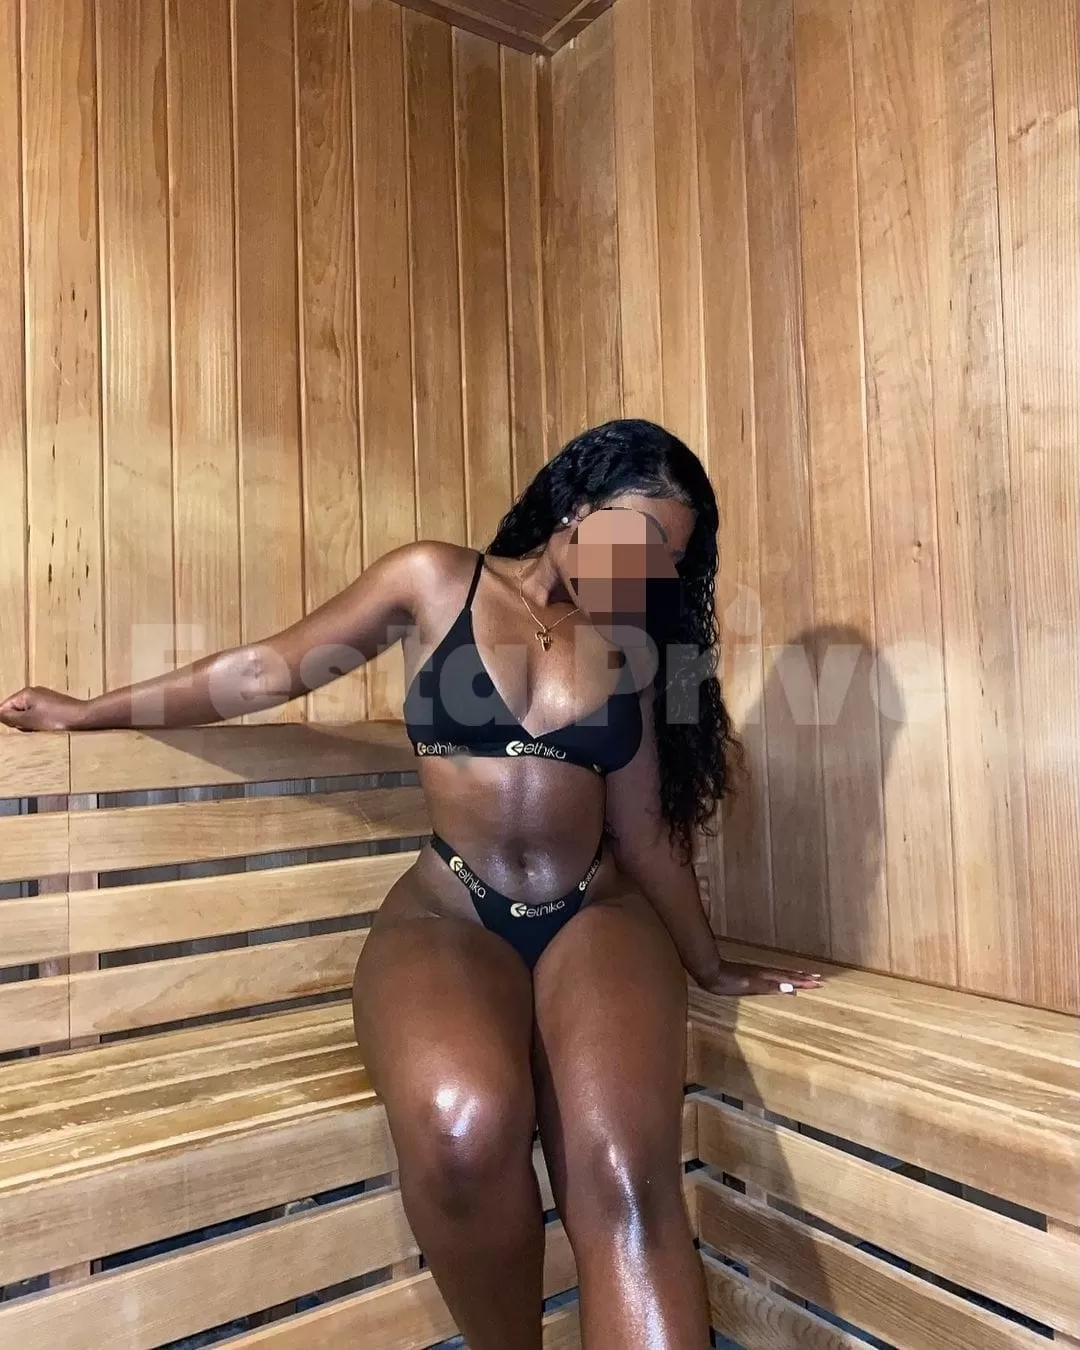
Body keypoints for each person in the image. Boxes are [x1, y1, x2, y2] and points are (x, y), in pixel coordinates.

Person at [1, 418, 821, 1348]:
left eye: (667, 562)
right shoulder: (435, 581)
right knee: (462, 1128)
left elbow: (643, 831)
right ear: (577, 507)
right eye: (637, 539)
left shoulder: (630, 648)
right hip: (452, 912)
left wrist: (708, 964)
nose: (645, 574)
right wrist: (88, 713)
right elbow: (265, 671)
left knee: (626, 1175)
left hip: (595, 913)